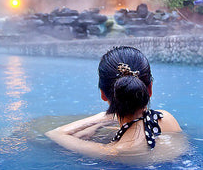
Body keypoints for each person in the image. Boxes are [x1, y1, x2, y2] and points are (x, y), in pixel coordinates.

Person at [45, 46, 186, 164]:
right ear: (149, 89)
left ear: (103, 94)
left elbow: (55, 134)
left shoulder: (116, 151)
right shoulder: (167, 118)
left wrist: (103, 117)